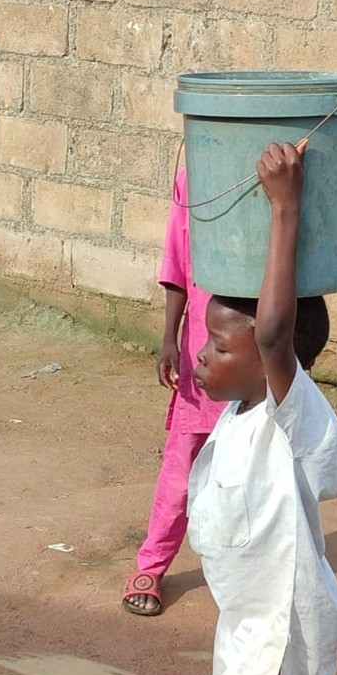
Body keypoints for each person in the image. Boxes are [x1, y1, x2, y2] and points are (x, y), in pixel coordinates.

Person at [161, 139, 337, 675]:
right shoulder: (238, 417)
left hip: (277, 643)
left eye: (218, 345)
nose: (202, 355)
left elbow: (272, 335)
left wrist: (285, 208)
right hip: (246, 635)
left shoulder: (289, 418)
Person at [123, 169, 227, 616]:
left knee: (263, 467)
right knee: (182, 465)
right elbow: (178, 262)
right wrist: (169, 337)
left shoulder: (285, 169)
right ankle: (151, 563)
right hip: (203, 347)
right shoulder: (196, 176)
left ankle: (260, 569)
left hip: (263, 352)